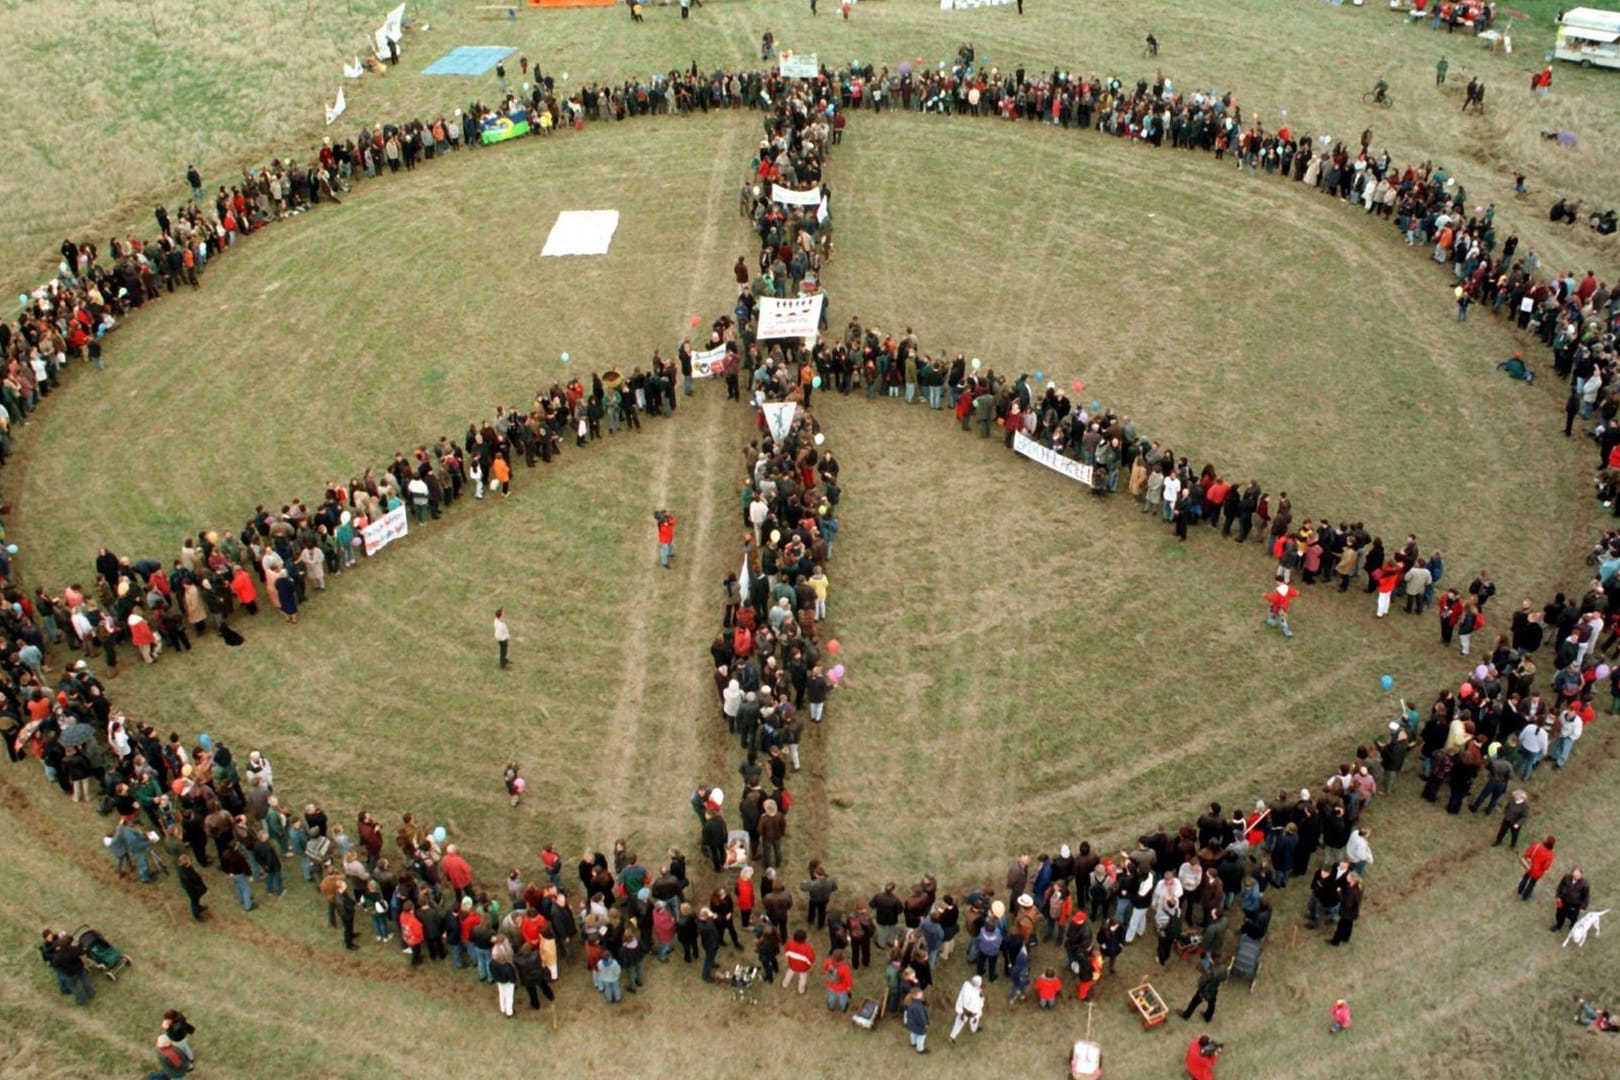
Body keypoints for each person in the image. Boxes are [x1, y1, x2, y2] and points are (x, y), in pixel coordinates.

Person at [1179, 957, 1226, 1022]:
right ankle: (1208, 1017)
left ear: (1214, 959)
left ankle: (1186, 1015)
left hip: (1205, 990)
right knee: (1211, 1004)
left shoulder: (1210, 970)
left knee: (1194, 1002)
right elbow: (1224, 978)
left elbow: (1201, 982)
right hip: (1214, 989)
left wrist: (1202, 972)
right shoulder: (1224, 968)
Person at [1518, 836, 1556, 900]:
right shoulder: (1550, 855)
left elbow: (1527, 853)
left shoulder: (1537, 846)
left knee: (1525, 878)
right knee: (1532, 884)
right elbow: (1545, 866)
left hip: (1529, 866)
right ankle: (1525, 896)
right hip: (1538, 872)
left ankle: (1520, 890)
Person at [949, 974, 984, 1042]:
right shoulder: (969, 992)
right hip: (966, 1012)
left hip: (974, 1011)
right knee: (959, 1023)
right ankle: (952, 1037)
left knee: (975, 1021)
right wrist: (964, 1013)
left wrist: (981, 997)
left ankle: (974, 1029)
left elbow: (979, 1000)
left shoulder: (968, 984)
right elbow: (967, 1004)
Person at [1553, 867, 1589, 932]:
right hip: (1563, 900)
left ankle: (1572, 925)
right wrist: (1558, 896)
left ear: (1581, 875)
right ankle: (1558, 925)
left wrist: (1583, 907)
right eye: (1575, 875)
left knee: (1572, 916)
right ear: (1572, 874)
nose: (1576, 877)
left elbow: (1586, 897)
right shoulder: (1566, 877)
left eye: (1578, 876)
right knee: (1559, 914)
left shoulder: (1584, 884)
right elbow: (1560, 886)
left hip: (1574, 904)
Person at [903, 987, 930, 1053]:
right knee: (921, 1036)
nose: (922, 994)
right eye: (920, 994)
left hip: (911, 1024)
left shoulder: (910, 1003)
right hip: (919, 1025)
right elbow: (922, 1017)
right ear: (915, 996)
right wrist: (925, 1024)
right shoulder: (919, 1006)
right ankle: (920, 1049)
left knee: (913, 1032)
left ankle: (913, 1043)